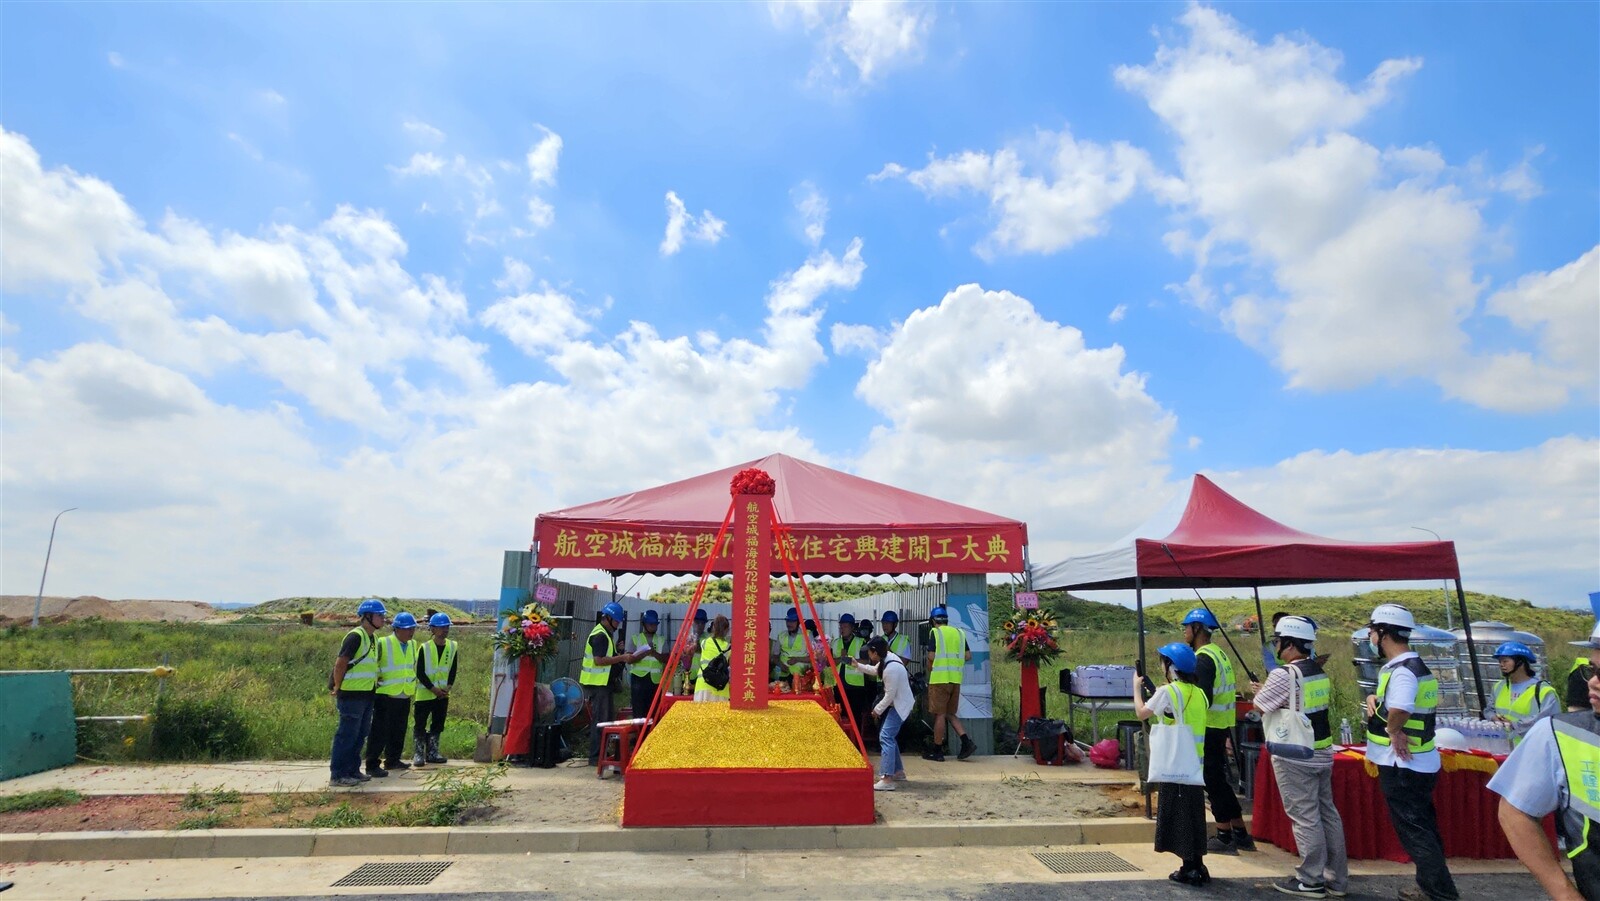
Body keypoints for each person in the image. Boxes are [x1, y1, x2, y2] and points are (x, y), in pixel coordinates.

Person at [1489, 619, 1600, 900]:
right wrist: (1564, 893)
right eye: (1593, 670)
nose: (1593, 682)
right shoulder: (1563, 735)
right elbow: (1515, 811)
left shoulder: (1543, 691)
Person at [1249, 616, 1348, 898]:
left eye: (1278, 641)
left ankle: (1310, 879)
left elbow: (1260, 706)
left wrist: (1261, 691)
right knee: (1327, 813)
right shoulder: (1317, 670)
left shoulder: (1283, 674)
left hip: (1296, 754)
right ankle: (1337, 879)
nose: (1276, 646)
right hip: (1322, 750)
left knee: (1304, 817)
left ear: (1289, 644)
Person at [1365, 603, 1458, 901]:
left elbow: (1401, 708)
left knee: (1415, 832)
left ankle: (1440, 894)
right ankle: (1430, 886)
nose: (1370, 637)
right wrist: (1374, 699)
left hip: (1403, 765)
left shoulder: (1403, 671)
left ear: (1383, 633)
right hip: (1420, 762)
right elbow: (1396, 704)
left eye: (1373, 631)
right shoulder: (1413, 667)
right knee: (1424, 828)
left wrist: (1393, 730)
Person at [1134, 642, 1211, 887]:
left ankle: (1189, 868)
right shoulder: (1198, 692)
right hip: (1193, 764)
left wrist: (1136, 689)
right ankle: (1197, 864)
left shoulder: (1168, 691)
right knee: (1193, 814)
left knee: (1179, 815)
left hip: (1174, 764)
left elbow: (1142, 713)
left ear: (1172, 667)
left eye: (1164, 661)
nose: (1161, 665)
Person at [1180, 608, 1254, 853]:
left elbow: (1203, 698)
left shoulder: (1203, 658)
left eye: (1187, 627)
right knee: (1220, 780)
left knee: (1212, 781)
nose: (1184, 632)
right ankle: (1240, 832)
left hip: (1209, 727)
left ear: (1197, 629)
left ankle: (1223, 834)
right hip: (1221, 725)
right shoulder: (1218, 653)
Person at [328, 598, 386, 787]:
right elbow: (341, 663)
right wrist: (337, 686)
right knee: (347, 735)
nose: (383, 618)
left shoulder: (373, 638)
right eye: (380, 615)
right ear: (368, 617)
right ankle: (338, 774)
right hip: (351, 694)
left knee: (360, 734)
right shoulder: (356, 636)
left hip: (367, 694)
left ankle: (352, 770)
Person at [848, 636, 911, 791]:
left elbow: (889, 695)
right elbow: (875, 670)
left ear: (875, 652)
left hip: (899, 705)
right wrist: (857, 665)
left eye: (869, 652)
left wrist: (877, 710)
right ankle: (898, 771)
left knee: (885, 736)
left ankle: (887, 778)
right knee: (889, 736)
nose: (868, 655)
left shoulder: (890, 669)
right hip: (899, 703)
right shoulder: (888, 659)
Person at [365, 611, 418, 778]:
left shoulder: (412, 645)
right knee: (379, 731)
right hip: (385, 695)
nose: (411, 632)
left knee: (399, 730)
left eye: (413, 629)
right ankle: (372, 764)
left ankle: (393, 759)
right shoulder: (383, 643)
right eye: (408, 629)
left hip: (404, 693)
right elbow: (372, 663)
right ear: (397, 629)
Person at [582, 602, 631, 768]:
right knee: (600, 721)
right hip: (598, 685)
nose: (617, 625)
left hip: (603, 684)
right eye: (616, 621)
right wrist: (621, 658)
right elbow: (599, 660)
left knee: (605, 720)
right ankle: (595, 757)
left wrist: (616, 651)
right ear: (609, 618)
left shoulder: (604, 634)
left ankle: (601, 754)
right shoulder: (600, 635)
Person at [923, 605, 975, 761]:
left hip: (939, 679)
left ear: (933, 621)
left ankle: (937, 751)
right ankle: (966, 741)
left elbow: (931, 657)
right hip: (955, 679)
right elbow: (967, 656)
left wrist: (933, 666)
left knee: (939, 715)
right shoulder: (959, 633)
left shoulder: (935, 633)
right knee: (950, 713)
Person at [411, 613, 458, 767]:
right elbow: (420, 672)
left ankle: (433, 752)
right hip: (425, 694)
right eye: (442, 627)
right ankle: (418, 754)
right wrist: (433, 689)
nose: (445, 630)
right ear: (432, 628)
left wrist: (448, 687)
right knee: (420, 724)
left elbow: (453, 668)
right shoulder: (424, 648)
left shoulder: (452, 646)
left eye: (447, 626)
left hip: (442, 695)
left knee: (438, 724)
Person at [1491, 641, 1559, 746]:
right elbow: (1489, 710)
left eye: (1505, 661)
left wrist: (1514, 724)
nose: (1501, 665)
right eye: (1500, 661)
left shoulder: (1543, 691)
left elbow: (1548, 721)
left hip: (1531, 750)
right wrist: (1493, 717)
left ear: (1520, 662)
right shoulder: (1499, 687)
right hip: (1503, 750)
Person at [832, 614, 872, 745]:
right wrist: (840, 659)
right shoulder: (836, 642)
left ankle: (856, 745)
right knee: (838, 716)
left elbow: (867, 661)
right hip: (839, 685)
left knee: (855, 717)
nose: (842, 628)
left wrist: (847, 659)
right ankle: (841, 744)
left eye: (845, 626)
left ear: (852, 627)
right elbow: (830, 662)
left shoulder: (861, 642)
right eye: (841, 626)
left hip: (855, 687)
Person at [628, 610, 668, 719]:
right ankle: (640, 735)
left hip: (655, 680)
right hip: (638, 680)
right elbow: (629, 659)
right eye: (650, 624)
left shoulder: (661, 640)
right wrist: (644, 653)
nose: (653, 626)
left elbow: (666, 659)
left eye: (655, 624)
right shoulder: (635, 638)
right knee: (639, 711)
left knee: (654, 712)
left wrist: (654, 653)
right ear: (644, 624)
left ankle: (652, 734)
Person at [695, 614, 732, 702]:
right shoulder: (728, 648)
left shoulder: (704, 643)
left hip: (702, 686)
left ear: (713, 627)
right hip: (720, 689)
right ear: (727, 630)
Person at [776, 607, 809, 692]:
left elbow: (814, 658)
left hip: (801, 677)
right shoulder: (781, 635)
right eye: (788, 621)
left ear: (799, 622)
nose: (789, 624)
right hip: (783, 677)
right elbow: (774, 656)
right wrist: (780, 664)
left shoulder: (808, 635)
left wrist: (797, 659)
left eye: (793, 621)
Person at [678, 608, 709, 694]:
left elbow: (701, 649)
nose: (699, 625)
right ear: (692, 622)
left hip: (702, 677)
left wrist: (694, 644)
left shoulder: (708, 638)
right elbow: (680, 654)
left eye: (702, 623)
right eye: (697, 622)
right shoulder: (685, 637)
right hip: (686, 675)